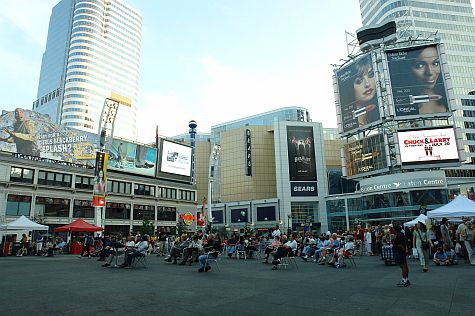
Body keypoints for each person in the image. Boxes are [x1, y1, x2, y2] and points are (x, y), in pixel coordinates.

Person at [409, 46, 448, 114]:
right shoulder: (406, 106)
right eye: (420, 65)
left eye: (435, 63)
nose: (429, 72)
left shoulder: (447, 100)